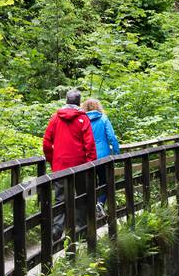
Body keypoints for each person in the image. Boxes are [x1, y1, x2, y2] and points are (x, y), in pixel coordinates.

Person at [42, 89, 97, 239]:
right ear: (79, 102)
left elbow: (47, 143)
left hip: (60, 165)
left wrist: (52, 159)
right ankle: (81, 227)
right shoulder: (83, 119)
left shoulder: (55, 119)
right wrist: (90, 164)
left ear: (66, 100)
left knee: (60, 197)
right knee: (81, 194)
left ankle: (57, 228)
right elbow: (89, 144)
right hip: (79, 165)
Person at [82, 98, 120, 211]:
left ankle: (91, 207)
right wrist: (117, 153)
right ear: (98, 106)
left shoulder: (82, 120)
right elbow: (112, 137)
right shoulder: (103, 118)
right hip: (104, 156)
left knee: (90, 182)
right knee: (104, 180)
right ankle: (100, 203)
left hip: (88, 156)